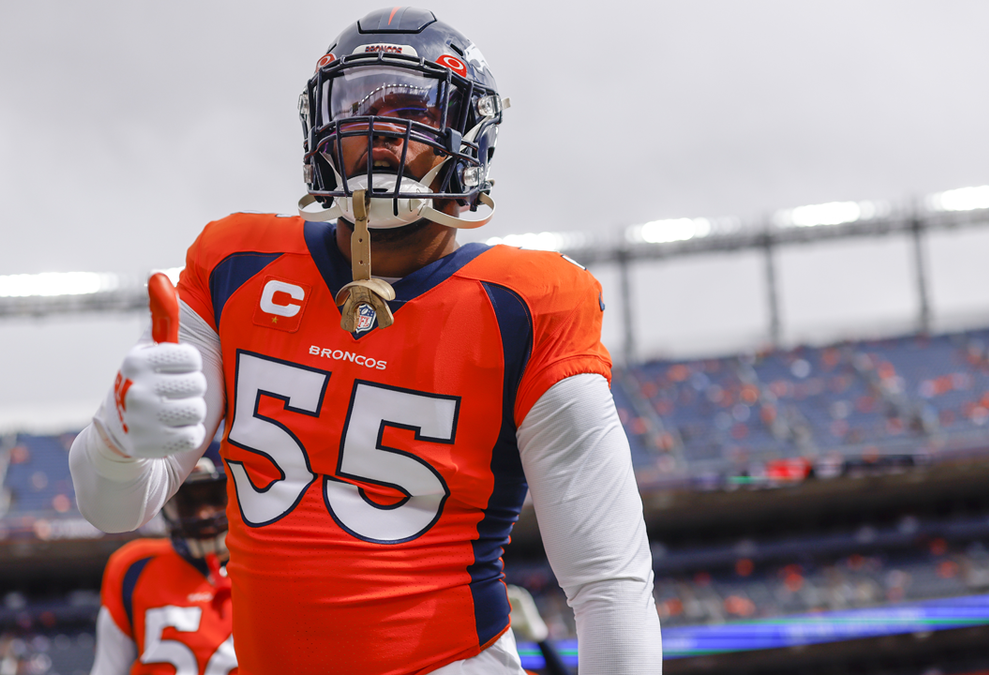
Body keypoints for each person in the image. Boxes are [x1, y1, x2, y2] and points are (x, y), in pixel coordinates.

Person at [71, 7, 661, 674]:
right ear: (322, 129)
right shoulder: (236, 265)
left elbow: (608, 582)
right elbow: (112, 504)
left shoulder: (527, 307)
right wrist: (118, 435)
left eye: (414, 107)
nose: (380, 132)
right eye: (357, 105)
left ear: (466, 138)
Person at [90, 457, 236, 675]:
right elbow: (108, 669)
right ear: (167, 505)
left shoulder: (268, 568)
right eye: (189, 502)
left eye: (214, 498)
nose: (203, 514)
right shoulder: (133, 567)